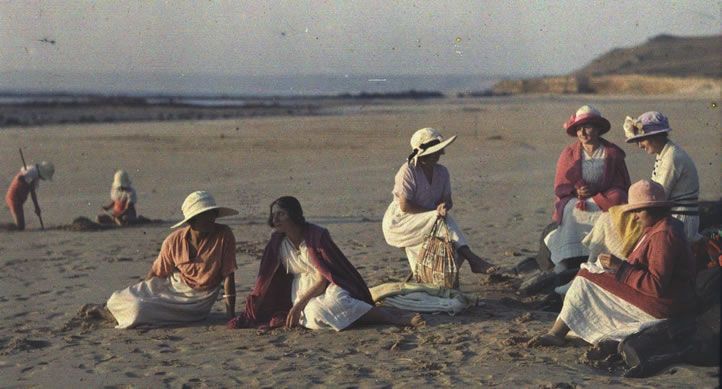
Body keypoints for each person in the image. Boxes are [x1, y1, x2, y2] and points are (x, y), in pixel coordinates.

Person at [529, 180, 696, 347]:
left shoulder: (664, 235)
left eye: (639, 210)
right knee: (592, 271)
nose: (635, 216)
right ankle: (566, 327)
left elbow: (656, 286)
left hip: (664, 305)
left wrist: (620, 267)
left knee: (585, 278)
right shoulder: (660, 227)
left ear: (654, 208)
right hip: (667, 300)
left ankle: (557, 333)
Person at [228, 196, 424, 330]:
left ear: (293, 215)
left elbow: (327, 273)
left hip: (327, 284)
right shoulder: (277, 243)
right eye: (273, 215)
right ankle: (359, 318)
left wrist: (298, 305)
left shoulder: (316, 236)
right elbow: (267, 278)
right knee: (313, 315)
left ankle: (391, 318)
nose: (275, 219)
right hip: (300, 288)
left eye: (281, 214)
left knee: (337, 302)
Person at [82, 191, 238, 328]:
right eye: (206, 216)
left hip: (198, 300)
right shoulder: (173, 240)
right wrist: (143, 291)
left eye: (213, 215)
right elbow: (157, 273)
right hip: (175, 284)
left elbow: (228, 276)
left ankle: (108, 315)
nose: (212, 220)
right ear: (192, 221)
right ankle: (112, 308)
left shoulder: (224, 235)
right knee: (118, 298)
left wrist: (230, 316)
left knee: (140, 309)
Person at [382, 127, 496, 278]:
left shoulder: (442, 172)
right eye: (437, 151)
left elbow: (447, 200)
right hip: (401, 222)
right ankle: (473, 259)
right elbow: (405, 206)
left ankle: (442, 273)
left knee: (445, 232)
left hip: (431, 219)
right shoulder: (408, 171)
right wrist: (434, 213)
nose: (441, 154)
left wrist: (444, 206)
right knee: (444, 221)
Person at [540, 105, 631, 272]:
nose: (582, 133)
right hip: (578, 198)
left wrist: (600, 193)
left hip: (604, 197)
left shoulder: (612, 153)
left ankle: (601, 254)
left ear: (598, 129)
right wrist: (576, 191)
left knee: (616, 202)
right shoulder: (568, 153)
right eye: (579, 129)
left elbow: (621, 183)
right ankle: (568, 257)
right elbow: (561, 185)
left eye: (587, 127)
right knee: (570, 209)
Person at [623, 111, 701, 242]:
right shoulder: (665, 154)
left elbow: (658, 195)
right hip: (673, 217)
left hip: (680, 220)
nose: (639, 145)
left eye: (641, 140)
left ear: (656, 136)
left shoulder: (672, 157)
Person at [5, 161, 54, 230]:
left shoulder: (35, 175)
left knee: (20, 226)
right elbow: (20, 177)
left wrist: (37, 207)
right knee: (20, 227)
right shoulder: (31, 172)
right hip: (14, 198)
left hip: (19, 200)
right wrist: (28, 179)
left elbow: (33, 193)